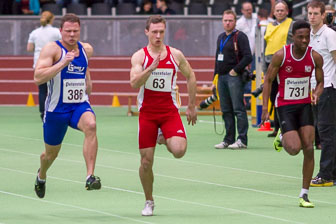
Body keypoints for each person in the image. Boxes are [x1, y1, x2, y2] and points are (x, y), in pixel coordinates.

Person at [130, 15, 197, 216]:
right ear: (147, 32)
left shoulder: (175, 54)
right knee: (146, 162)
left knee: (179, 150)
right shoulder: (139, 57)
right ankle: (149, 200)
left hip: (169, 112)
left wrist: (192, 105)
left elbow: (191, 75)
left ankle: (164, 136)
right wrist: (150, 69)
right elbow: (134, 83)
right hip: (148, 114)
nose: (158, 36)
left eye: (161, 32)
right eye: (154, 32)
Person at [33, 13, 101, 199]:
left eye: (75, 31)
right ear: (61, 31)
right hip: (56, 110)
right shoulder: (52, 49)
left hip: (78, 104)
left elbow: (84, 69)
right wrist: (62, 63)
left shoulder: (86, 49)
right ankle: (41, 175)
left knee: (91, 125)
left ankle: (89, 176)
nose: (72, 35)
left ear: (80, 31)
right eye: (68, 31)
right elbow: (38, 77)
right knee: (50, 155)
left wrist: (88, 83)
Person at [261, 20, 324, 208]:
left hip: (305, 106)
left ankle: (304, 194)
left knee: (309, 148)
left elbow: (320, 82)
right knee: (294, 149)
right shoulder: (281, 55)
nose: (305, 40)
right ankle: (282, 135)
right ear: (293, 37)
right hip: (285, 107)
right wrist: (265, 108)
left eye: (307, 37)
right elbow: (268, 80)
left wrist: (317, 94)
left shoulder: (315, 57)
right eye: (300, 37)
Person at [213, 9, 252, 149]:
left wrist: (235, 70)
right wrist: (215, 79)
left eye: (230, 20)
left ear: (235, 22)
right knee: (226, 110)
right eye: (225, 20)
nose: (228, 23)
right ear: (222, 22)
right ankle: (228, 139)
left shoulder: (240, 37)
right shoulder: (220, 37)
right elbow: (217, 59)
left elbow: (248, 56)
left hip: (234, 78)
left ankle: (242, 140)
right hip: (221, 78)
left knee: (238, 109)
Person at [307, 0, 336, 187]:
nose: (312, 16)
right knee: (324, 132)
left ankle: (326, 174)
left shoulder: (329, 34)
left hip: (328, 88)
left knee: (326, 133)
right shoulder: (309, 35)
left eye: (316, 13)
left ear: (323, 15)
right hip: (315, 89)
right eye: (310, 13)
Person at [263, 0, 293, 137]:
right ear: (274, 12)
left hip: (285, 65)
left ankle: (288, 127)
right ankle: (277, 127)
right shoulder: (268, 26)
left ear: (287, 11)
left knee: (286, 97)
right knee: (273, 96)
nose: (280, 12)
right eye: (277, 10)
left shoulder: (291, 24)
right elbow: (266, 46)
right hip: (270, 65)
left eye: (282, 10)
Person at [27, 11, 62, 120]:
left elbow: (29, 48)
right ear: (52, 19)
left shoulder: (34, 32)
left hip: (38, 63)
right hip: (53, 63)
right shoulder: (56, 32)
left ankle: (43, 114)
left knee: (42, 91)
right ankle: (55, 111)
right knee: (56, 88)